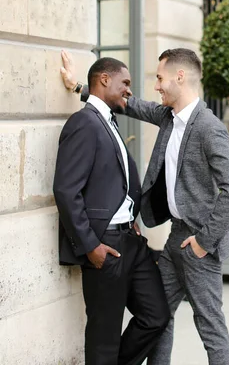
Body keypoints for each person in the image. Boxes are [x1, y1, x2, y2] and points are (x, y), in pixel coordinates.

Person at [61, 48, 229, 365]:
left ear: (180, 76)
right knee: (160, 318)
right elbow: (129, 104)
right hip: (175, 238)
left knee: (210, 326)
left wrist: (204, 241)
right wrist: (79, 86)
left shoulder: (208, 127)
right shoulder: (167, 117)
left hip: (198, 242)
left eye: (160, 78)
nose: (156, 85)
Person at [53, 57, 170, 365]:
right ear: (104, 80)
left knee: (156, 315)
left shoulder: (108, 120)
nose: (128, 91)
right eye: (125, 84)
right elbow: (66, 190)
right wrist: (90, 246)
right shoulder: (84, 123)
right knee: (104, 335)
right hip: (105, 245)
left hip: (131, 241)